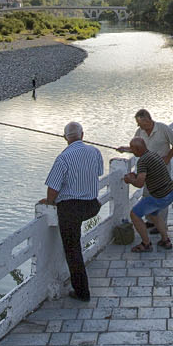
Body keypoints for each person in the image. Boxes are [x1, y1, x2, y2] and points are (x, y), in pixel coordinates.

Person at [37, 121, 104, 301]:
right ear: (82, 135)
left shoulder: (63, 158)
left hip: (71, 210)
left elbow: (53, 188)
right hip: (91, 205)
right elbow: (97, 173)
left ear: (65, 138)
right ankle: (80, 285)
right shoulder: (95, 152)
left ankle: (82, 292)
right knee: (75, 243)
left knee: (72, 250)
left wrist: (50, 202)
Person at [123, 137, 173, 251]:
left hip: (160, 196)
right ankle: (165, 241)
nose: (132, 151)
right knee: (153, 213)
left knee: (134, 214)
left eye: (132, 149)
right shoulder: (153, 155)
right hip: (170, 192)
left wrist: (129, 179)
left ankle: (146, 244)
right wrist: (136, 176)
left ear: (137, 150)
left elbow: (140, 184)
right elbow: (148, 175)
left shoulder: (142, 161)